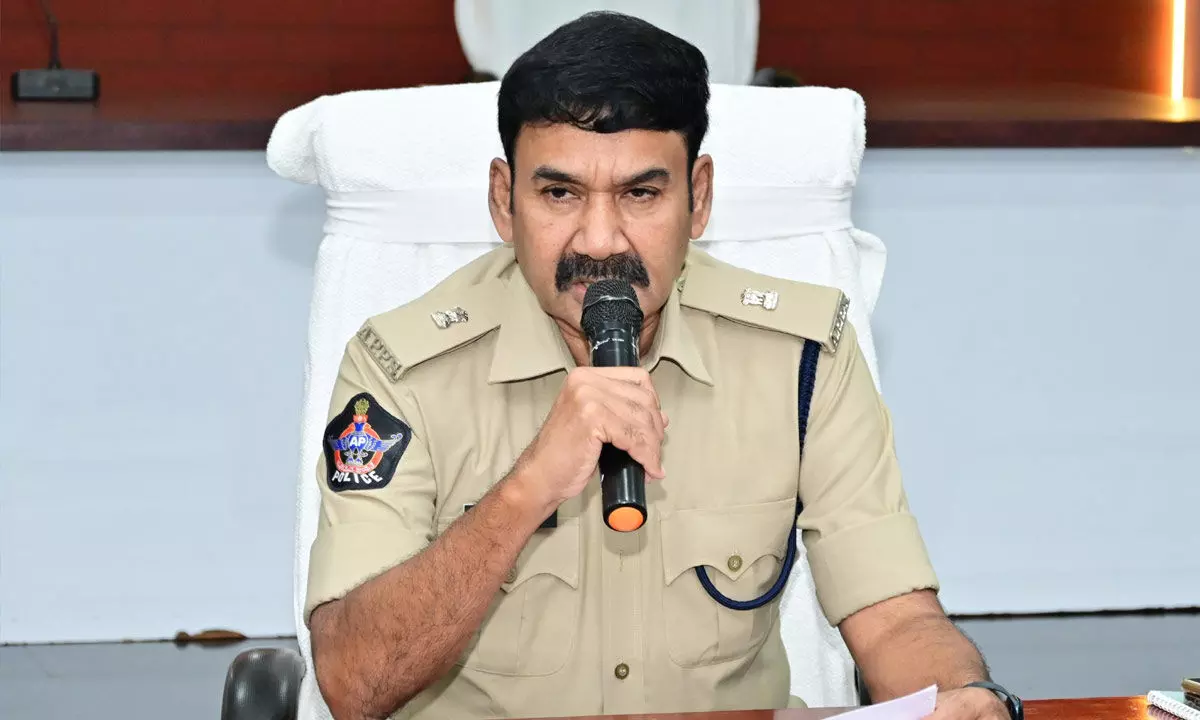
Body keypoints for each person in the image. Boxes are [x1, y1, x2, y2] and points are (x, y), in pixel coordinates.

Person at [303, 11, 1020, 720]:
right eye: (560, 193)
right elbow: (354, 684)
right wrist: (528, 489)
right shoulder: (401, 368)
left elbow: (893, 619)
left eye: (641, 194)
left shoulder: (801, 355)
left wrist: (961, 696)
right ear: (503, 199)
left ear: (698, 197)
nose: (601, 238)